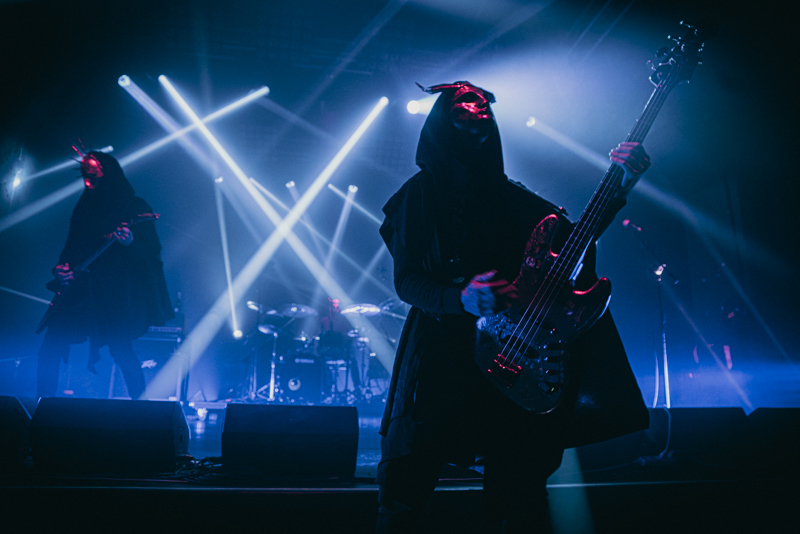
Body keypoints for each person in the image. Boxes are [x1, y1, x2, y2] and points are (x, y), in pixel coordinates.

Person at [375, 81, 651, 533]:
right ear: (440, 120)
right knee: (408, 481)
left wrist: (623, 181)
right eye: (463, 102)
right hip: (444, 350)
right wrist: (458, 298)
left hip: (519, 351)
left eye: (483, 102)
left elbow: (576, 241)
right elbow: (407, 281)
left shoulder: (515, 197)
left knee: (519, 488)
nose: (477, 106)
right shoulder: (419, 195)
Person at [36, 151, 173, 400]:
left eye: (96, 178)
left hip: (114, 294)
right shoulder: (83, 207)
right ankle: (40, 407)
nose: (91, 183)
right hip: (80, 290)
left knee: (121, 349)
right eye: (87, 179)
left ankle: (141, 412)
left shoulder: (135, 206)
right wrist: (61, 269)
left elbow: (153, 251)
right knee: (51, 345)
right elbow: (70, 248)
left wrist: (131, 242)